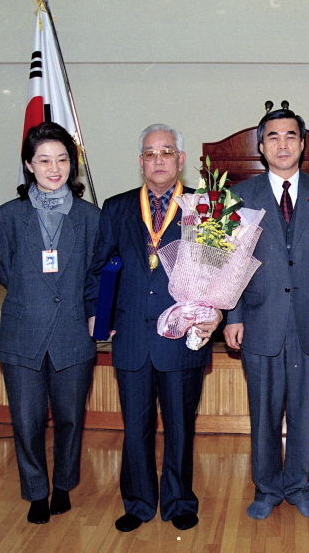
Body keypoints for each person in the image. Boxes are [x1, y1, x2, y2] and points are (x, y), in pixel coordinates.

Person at [87, 124, 221, 532]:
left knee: (181, 426)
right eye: (149, 153)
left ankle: (179, 500)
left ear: (181, 160)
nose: (158, 159)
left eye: (166, 152)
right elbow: (98, 268)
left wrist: (214, 315)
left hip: (182, 336)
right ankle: (139, 501)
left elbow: (220, 272)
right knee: (136, 428)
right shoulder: (116, 207)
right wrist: (100, 314)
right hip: (130, 336)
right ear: (140, 161)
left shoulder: (207, 208)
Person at [223, 105, 309, 520]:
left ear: (303, 143)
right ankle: (267, 487)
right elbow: (230, 262)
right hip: (260, 319)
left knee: (305, 410)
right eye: (273, 137)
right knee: (264, 411)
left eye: (290, 136)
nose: (282, 144)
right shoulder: (240, 195)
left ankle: (300, 484)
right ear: (261, 146)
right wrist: (233, 316)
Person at [0, 121, 101, 524]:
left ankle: (64, 485)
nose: (54, 168)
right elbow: (5, 271)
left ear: (72, 166)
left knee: (71, 419)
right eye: (44, 160)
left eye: (62, 160)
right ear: (28, 165)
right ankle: (36, 490)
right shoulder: (6, 217)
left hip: (73, 333)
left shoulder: (91, 218)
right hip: (23, 332)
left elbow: (95, 274)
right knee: (27, 419)